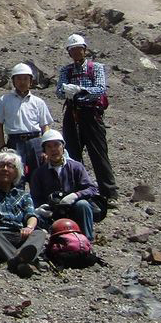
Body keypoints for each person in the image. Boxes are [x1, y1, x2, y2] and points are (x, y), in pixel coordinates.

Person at [57, 34, 117, 203]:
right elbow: (59, 91)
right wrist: (67, 92)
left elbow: (100, 89)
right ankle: (77, 191)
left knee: (98, 153)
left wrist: (80, 91)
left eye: (79, 49)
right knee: (73, 153)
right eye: (73, 50)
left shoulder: (96, 67)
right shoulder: (66, 71)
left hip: (91, 115)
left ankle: (109, 193)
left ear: (85, 50)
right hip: (72, 113)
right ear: (69, 53)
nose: (76, 53)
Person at [0, 150, 45, 277]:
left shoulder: (23, 195)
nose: (5, 169)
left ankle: (16, 260)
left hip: (19, 235)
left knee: (39, 233)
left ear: (17, 172)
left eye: (10, 166)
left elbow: (31, 215)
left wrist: (29, 227)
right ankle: (21, 259)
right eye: (1, 165)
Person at [28, 129, 101, 239]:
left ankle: (86, 242)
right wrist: (39, 209)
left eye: (56, 145)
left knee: (83, 205)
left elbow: (92, 189)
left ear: (63, 147)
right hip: (52, 213)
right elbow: (35, 197)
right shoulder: (39, 173)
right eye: (49, 146)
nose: (53, 149)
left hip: (74, 209)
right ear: (44, 151)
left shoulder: (76, 167)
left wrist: (76, 196)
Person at [0, 63, 53, 177]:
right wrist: (2, 145)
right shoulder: (4, 100)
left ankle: (37, 195)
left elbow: (45, 126)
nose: (22, 82)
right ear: (13, 81)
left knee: (38, 176)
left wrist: (46, 147)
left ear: (31, 81)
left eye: (25, 78)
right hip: (14, 142)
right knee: (15, 176)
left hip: (35, 142)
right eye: (19, 78)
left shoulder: (38, 102)